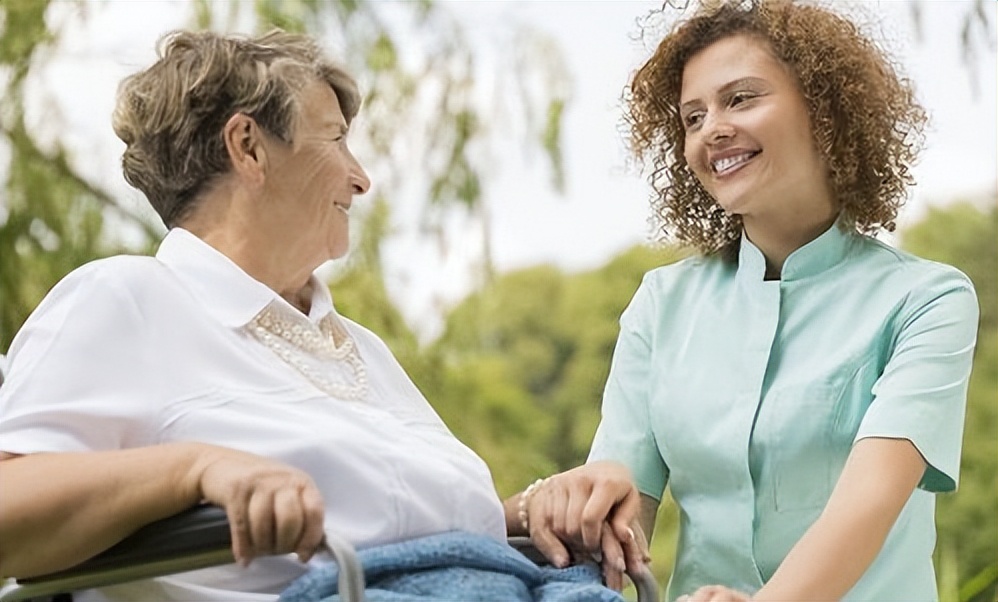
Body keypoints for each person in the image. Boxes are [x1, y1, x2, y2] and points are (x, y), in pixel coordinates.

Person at [0, 29, 572, 602]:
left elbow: (413, 531)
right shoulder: (128, 297)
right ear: (248, 146)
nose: (361, 177)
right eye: (337, 140)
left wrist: (534, 510)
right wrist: (193, 469)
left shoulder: (360, 348)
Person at [515, 1, 981, 601]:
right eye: (691, 117)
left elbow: (868, 505)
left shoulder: (926, 300)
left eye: (741, 98)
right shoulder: (662, 304)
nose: (711, 128)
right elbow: (623, 511)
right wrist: (577, 517)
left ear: (824, 109)